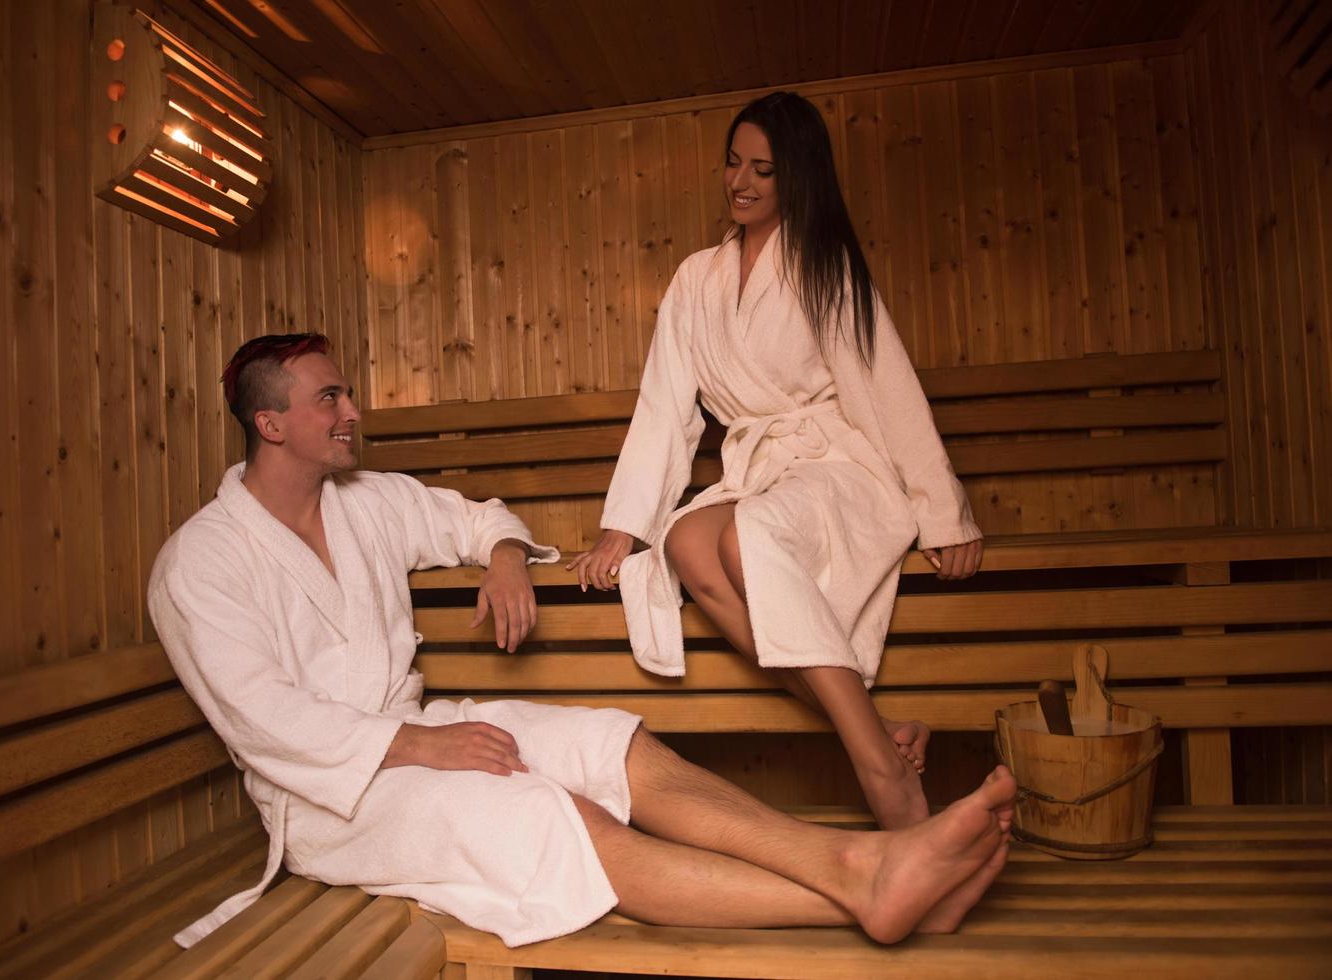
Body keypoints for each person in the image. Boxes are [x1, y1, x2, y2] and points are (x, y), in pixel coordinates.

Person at [149, 332, 1014, 951]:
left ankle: (874, 867)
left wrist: (502, 558)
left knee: (613, 743)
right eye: (329, 397)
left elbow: (478, 516)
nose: (352, 409)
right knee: (556, 814)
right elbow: (260, 717)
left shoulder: (367, 501)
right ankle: (863, 890)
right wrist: (419, 743)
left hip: (416, 733)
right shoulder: (200, 562)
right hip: (332, 799)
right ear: (270, 425)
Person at [569, 91, 984, 832]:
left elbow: (885, 388)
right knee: (685, 541)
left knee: (745, 534)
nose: (740, 181)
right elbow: (665, 408)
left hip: (837, 464)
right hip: (762, 470)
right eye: (732, 161)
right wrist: (623, 528)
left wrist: (942, 514)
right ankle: (872, 729)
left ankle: (878, 772)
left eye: (762, 168)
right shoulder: (695, 279)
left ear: (796, 177)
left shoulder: (825, 265)